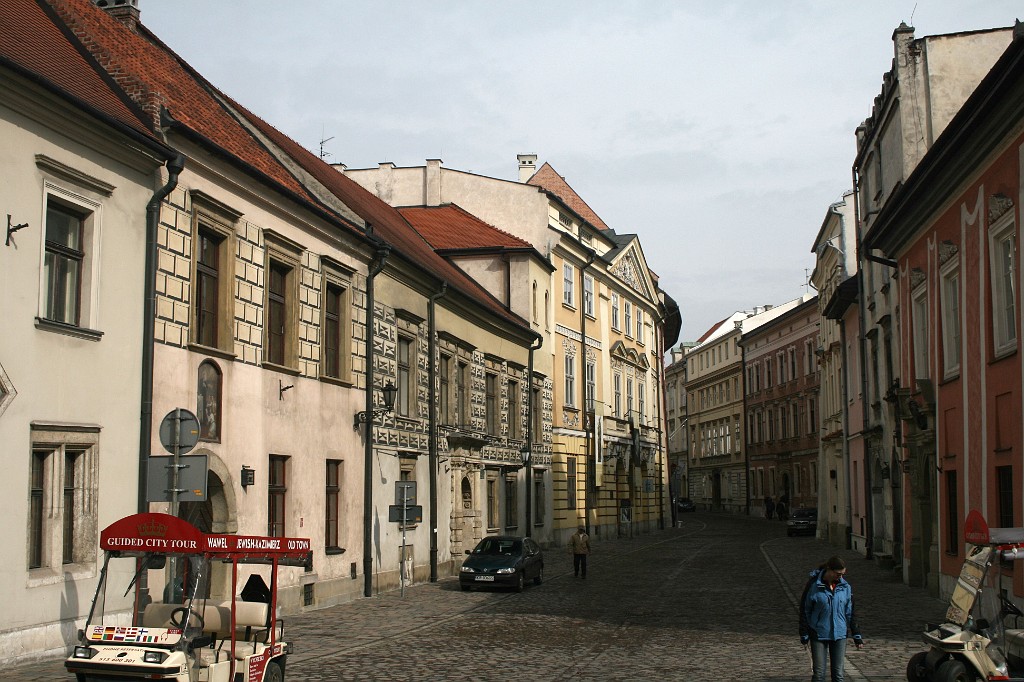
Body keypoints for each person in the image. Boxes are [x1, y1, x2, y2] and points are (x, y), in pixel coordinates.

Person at [799, 556, 864, 682]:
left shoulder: (845, 587)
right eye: (838, 574)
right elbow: (805, 610)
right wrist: (804, 632)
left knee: (838, 674)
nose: (840, 577)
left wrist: (856, 634)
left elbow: (850, 612)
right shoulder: (813, 585)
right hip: (818, 633)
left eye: (843, 574)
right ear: (829, 569)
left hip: (839, 634)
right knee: (819, 674)